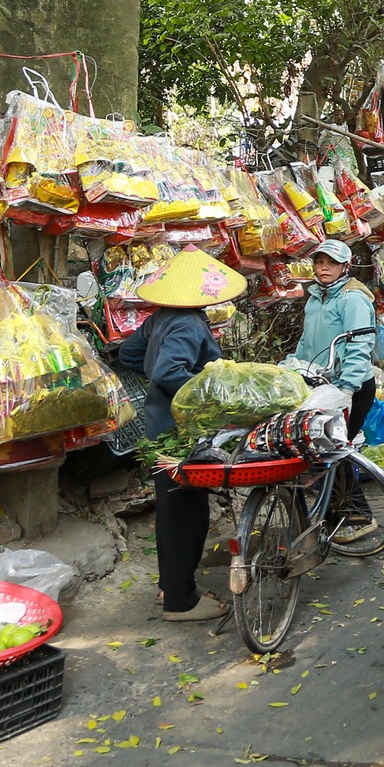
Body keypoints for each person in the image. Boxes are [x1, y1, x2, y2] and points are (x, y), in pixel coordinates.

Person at [117, 248, 246, 622]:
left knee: (176, 510)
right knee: (184, 514)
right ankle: (180, 600)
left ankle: (173, 585)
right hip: (180, 432)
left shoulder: (162, 318)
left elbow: (128, 355)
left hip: (160, 426)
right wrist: (208, 393)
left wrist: (159, 388)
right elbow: (168, 372)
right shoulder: (189, 324)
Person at [292, 239, 378, 429]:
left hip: (351, 385)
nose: (324, 268)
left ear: (346, 267)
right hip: (321, 382)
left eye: (332, 263)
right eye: (320, 262)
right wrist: (293, 368)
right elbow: (305, 340)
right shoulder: (315, 297)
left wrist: (347, 389)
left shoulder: (352, 298)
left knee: (339, 446)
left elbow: (360, 344)